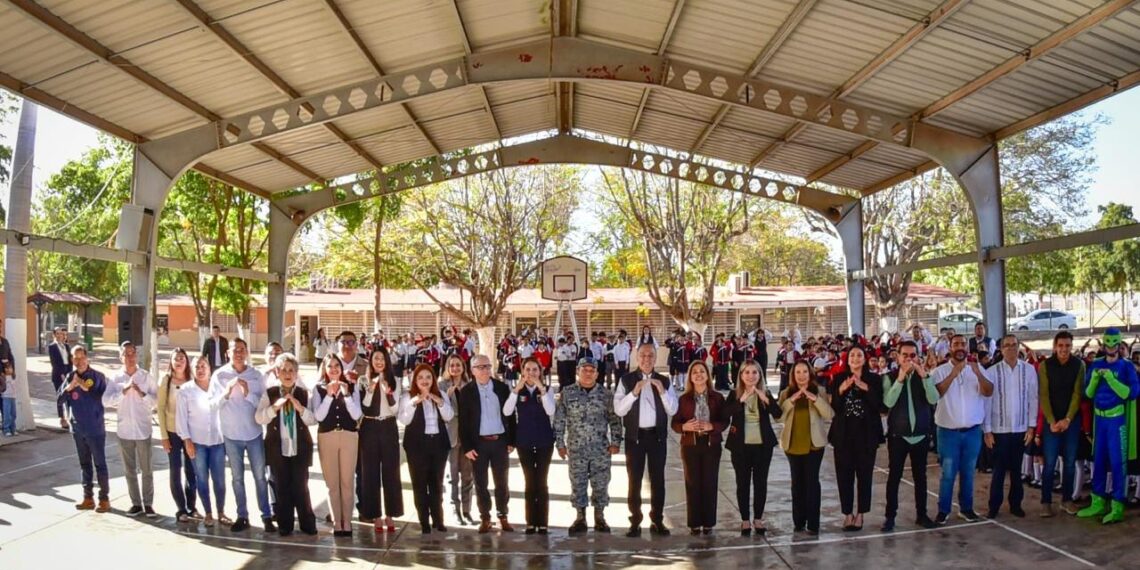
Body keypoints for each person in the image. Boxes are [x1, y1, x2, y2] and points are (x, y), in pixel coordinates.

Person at [614, 343, 678, 537]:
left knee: (658, 479)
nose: (647, 359)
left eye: (651, 355)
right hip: (635, 438)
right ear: (637, 357)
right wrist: (634, 393)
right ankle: (635, 521)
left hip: (657, 437)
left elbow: (673, 410)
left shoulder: (664, 381)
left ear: (656, 358)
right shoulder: (626, 380)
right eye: (643, 355)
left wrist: (663, 392)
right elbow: (618, 410)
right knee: (634, 480)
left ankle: (657, 519)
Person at [1078, 328, 1140, 524]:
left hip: (1117, 421)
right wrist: (1096, 379)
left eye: (1115, 342)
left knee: (1117, 463)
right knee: (1099, 462)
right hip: (1100, 420)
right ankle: (1098, 501)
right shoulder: (1095, 364)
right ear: (1103, 344)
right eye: (1108, 342)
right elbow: (1087, 394)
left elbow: (1132, 393)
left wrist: (1111, 380)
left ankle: (1117, 505)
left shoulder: (1126, 367)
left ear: (1119, 343)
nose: (1111, 346)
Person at [554, 356, 622, 535]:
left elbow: (615, 420)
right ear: (577, 371)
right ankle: (580, 517)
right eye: (584, 369)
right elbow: (559, 420)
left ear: (597, 374)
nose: (588, 373)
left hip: (600, 449)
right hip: (576, 450)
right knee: (578, 483)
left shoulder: (606, 395)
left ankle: (600, 517)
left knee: (601, 484)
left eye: (592, 370)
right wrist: (560, 444)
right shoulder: (567, 393)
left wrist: (616, 442)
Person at [931, 334, 993, 525]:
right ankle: (943, 510)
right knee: (948, 473)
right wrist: (954, 373)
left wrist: (978, 374)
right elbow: (936, 394)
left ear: (967, 348)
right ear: (949, 348)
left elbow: (989, 391)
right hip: (948, 432)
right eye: (956, 344)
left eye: (963, 344)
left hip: (972, 431)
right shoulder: (939, 371)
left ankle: (966, 509)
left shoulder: (977, 368)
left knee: (968, 472)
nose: (960, 347)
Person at [214, 338, 273, 532]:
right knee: (237, 478)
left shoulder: (256, 375)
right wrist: (227, 391)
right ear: (228, 353)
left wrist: (248, 393)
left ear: (247, 352)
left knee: (260, 476)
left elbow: (263, 404)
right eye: (234, 350)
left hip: (253, 433)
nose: (238, 353)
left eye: (242, 350)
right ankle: (242, 515)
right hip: (231, 435)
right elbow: (212, 404)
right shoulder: (220, 375)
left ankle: (266, 515)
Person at [256, 353, 318, 536]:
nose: (288, 374)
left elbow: (313, 420)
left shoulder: (304, 394)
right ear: (277, 372)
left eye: (291, 370)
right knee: (281, 487)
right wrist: (274, 408)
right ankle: (285, 525)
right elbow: (259, 417)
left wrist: (300, 408)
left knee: (301, 486)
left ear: (297, 373)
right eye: (283, 370)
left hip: (300, 448)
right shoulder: (270, 394)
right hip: (277, 448)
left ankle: (307, 524)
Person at [881, 340, 939, 532]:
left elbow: (933, 398)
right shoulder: (889, 377)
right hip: (898, 436)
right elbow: (888, 402)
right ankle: (890, 517)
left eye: (912, 355)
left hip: (921, 435)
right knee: (894, 477)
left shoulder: (924, 377)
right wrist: (900, 379)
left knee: (920, 477)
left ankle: (921, 514)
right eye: (904, 355)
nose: (909, 359)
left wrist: (925, 377)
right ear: (897, 357)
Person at [459, 354, 517, 533]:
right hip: (478, 445)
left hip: (499, 442)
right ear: (472, 370)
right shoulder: (467, 391)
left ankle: (503, 516)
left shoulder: (501, 388)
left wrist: (511, 440)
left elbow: (510, 416)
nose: (484, 370)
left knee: (502, 482)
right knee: (480, 483)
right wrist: (467, 447)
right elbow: (464, 422)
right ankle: (485, 517)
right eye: (480, 367)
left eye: (487, 366)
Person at [983, 334, 1039, 520]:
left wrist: (1032, 427)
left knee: (1016, 470)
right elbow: (987, 402)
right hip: (999, 430)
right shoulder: (992, 372)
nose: (1011, 349)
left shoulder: (1029, 370)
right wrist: (987, 430)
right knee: (999, 471)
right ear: (1001, 349)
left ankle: (1016, 504)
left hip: (1021, 429)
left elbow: (1033, 399)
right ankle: (994, 506)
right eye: (1007, 345)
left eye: (1014, 345)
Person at [827, 345, 882, 532]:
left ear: (865, 359)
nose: (856, 358)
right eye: (852, 355)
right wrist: (841, 390)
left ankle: (861, 514)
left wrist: (864, 387)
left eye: (859, 355)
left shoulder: (874, 379)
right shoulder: (839, 378)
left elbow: (880, 406)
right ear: (847, 359)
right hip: (843, 435)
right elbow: (833, 407)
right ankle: (847, 514)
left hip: (867, 435)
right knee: (844, 476)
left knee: (864, 476)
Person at [671, 360, 727, 535]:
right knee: (693, 483)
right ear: (690, 377)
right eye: (694, 372)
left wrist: (713, 427)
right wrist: (684, 428)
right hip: (690, 445)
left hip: (711, 444)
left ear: (707, 375)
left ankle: (709, 522)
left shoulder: (717, 397)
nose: (698, 374)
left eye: (702, 371)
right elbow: (674, 423)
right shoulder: (684, 399)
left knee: (710, 483)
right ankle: (694, 522)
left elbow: (725, 421)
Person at [725, 360, 780, 536]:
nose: (751, 376)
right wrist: (741, 400)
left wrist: (765, 398)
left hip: (763, 446)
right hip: (740, 447)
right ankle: (745, 520)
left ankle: (758, 518)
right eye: (747, 372)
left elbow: (778, 414)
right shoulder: (734, 394)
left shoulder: (766, 393)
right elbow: (725, 414)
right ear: (741, 375)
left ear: (760, 375)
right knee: (742, 484)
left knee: (760, 483)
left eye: (754, 372)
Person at [104, 341, 159, 517]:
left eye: (132, 353)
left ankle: (148, 504)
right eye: (126, 354)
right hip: (124, 430)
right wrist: (123, 392)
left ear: (137, 356)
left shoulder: (145, 376)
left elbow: (157, 400)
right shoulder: (115, 378)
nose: (130, 357)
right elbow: (105, 401)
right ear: (121, 357)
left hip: (143, 429)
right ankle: (136, 503)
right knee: (129, 470)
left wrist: (142, 394)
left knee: (147, 470)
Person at [399, 363, 455, 534]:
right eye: (421, 377)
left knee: (436, 484)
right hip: (417, 446)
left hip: (438, 445)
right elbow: (404, 420)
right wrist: (416, 401)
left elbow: (449, 416)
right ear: (415, 380)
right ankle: (424, 521)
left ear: (433, 379)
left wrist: (438, 401)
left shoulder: (441, 394)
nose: (425, 381)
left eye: (428, 377)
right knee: (420, 484)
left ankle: (438, 519)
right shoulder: (408, 397)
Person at [779, 361, 833, 535]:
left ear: (810, 374)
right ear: (793, 375)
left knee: (812, 483)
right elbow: (778, 417)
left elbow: (829, 414)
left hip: (814, 445)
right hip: (792, 444)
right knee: (797, 484)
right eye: (798, 372)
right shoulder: (786, 393)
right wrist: (791, 401)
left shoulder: (820, 391)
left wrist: (815, 399)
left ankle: (813, 523)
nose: (801, 375)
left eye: (804, 372)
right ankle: (799, 521)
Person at [503, 358, 556, 534]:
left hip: (544, 442)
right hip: (524, 441)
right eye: (527, 369)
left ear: (540, 372)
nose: (531, 373)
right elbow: (507, 411)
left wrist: (542, 389)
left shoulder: (547, 390)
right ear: (522, 372)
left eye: (535, 369)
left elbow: (551, 411)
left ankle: (543, 522)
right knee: (529, 482)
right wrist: (516, 390)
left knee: (541, 482)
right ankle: (530, 522)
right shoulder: (518, 391)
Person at [312, 353, 362, 537]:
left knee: (347, 481)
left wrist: (346, 394)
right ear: (324, 369)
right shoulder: (318, 389)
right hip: (327, 436)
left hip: (349, 436)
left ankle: (347, 521)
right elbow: (318, 416)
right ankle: (336, 521)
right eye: (329, 366)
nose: (333, 369)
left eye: (337, 365)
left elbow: (357, 415)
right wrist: (328, 395)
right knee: (332, 483)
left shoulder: (351, 386)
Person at [1037, 330, 1085, 517]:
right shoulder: (1045, 366)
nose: (1064, 349)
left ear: (1071, 347)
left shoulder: (1078, 365)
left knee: (1070, 463)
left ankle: (1067, 500)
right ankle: (1045, 502)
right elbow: (1044, 395)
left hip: (1071, 422)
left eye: (1067, 346)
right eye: (1061, 346)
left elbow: (1077, 394)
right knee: (1049, 464)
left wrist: (1068, 419)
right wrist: (1051, 421)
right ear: (1055, 347)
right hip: (1052, 422)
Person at [178, 355, 229, 527]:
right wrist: (187, 441)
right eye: (197, 367)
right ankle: (208, 513)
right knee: (201, 479)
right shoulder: (185, 390)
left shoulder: (218, 387)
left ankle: (221, 511)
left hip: (217, 441)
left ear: (209, 368)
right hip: (197, 442)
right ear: (192, 370)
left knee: (220, 480)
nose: (200, 370)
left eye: (203, 366)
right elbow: (181, 419)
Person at [358, 346, 404, 533]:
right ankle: (375, 515)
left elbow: (395, 410)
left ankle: (390, 514)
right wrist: (371, 389)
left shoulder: (396, 381)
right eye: (376, 358)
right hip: (369, 427)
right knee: (370, 472)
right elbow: (364, 407)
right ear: (371, 360)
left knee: (391, 471)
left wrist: (388, 392)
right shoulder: (363, 380)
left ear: (387, 361)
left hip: (388, 426)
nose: (379, 362)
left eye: (382, 358)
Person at [61, 345, 111, 513]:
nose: (79, 361)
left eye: (82, 357)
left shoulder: (97, 376)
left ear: (87, 358)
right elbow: (59, 398)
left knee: (100, 464)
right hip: (78, 428)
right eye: (75, 358)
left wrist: (83, 386)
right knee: (84, 464)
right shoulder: (70, 377)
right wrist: (70, 386)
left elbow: (100, 396)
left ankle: (104, 498)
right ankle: (87, 497)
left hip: (95, 428)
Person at [158, 348, 199, 522]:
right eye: (176, 359)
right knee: (175, 471)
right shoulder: (166, 380)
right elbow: (160, 408)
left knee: (192, 472)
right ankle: (181, 509)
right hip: (172, 432)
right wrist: (164, 436)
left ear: (187, 361)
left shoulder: (193, 380)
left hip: (190, 434)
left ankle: (191, 507)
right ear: (171, 362)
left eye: (182, 358)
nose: (179, 362)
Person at [439, 355, 475, 525]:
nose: (455, 368)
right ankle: (455, 510)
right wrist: (446, 396)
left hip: (467, 435)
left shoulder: (470, 385)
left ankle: (467, 510)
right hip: (450, 433)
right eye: (452, 365)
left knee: (468, 475)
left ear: (463, 367)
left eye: (458, 365)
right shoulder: (441, 385)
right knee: (452, 475)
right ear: (447, 368)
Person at [49, 326, 73, 430]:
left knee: (70, 396)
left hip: (68, 371)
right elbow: (54, 363)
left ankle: (70, 417)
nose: (60, 335)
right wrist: (61, 374)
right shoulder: (52, 347)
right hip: (58, 374)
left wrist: (70, 374)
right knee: (60, 396)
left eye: (61, 333)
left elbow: (70, 361)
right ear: (54, 335)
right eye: (57, 333)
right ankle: (62, 418)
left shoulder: (66, 346)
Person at [0, 320, 17, 437]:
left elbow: (11, 356)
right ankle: (5, 428)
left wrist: (12, 369)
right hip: (1, 374)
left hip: (7, 376)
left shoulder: (5, 342)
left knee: (6, 405)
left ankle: (8, 428)